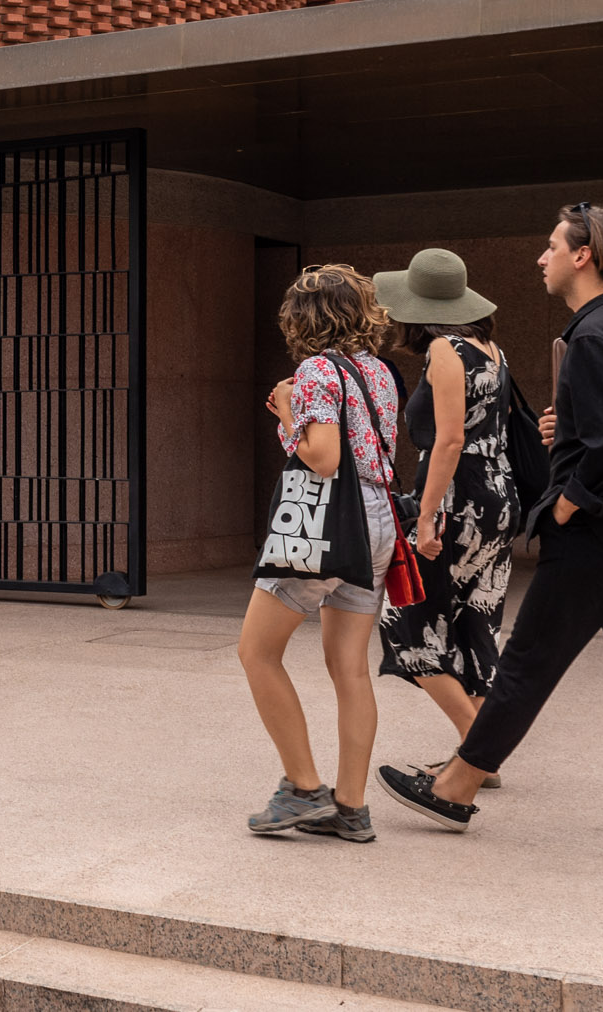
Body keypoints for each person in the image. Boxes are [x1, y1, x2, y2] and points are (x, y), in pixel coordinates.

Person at [378, 204, 603, 863]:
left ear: (584, 256)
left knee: (525, 665)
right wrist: (566, 432)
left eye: (551, 247)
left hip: (597, 537)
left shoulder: (595, 336)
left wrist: (572, 503)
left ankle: (455, 788)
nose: (540, 259)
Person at [241, 264, 401, 844]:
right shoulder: (379, 370)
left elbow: (324, 457)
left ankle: (303, 789)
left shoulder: (313, 372)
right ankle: (351, 808)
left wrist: (286, 414)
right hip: (379, 523)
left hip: (327, 524)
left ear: (301, 318)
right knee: (351, 668)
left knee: (256, 651)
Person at [372, 250, 523, 774]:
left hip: (459, 501)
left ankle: (476, 755)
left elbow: (451, 440)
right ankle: (479, 755)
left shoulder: (444, 351)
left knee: (406, 621)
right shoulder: (491, 349)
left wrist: (429, 516)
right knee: (472, 623)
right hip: (498, 499)